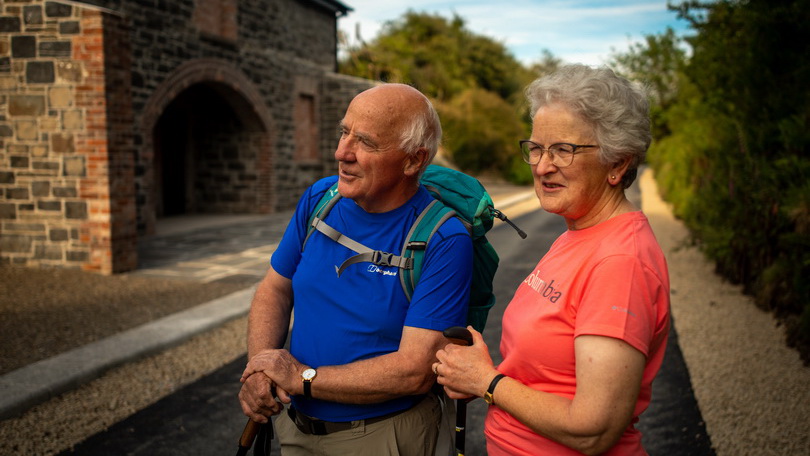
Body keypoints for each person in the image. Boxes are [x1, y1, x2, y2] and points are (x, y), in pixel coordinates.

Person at [433, 64, 671, 456]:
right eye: (537, 148)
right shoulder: (576, 232)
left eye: (564, 150)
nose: (543, 166)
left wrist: (487, 383)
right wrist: (484, 376)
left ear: (618, 163)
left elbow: (593, 430)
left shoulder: (620, 262)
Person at [238, 83, 473, 456]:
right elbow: (275, 288)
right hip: (295, 428)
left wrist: (301, 378)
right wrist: (261, 368)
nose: (341, 152)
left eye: (365, 142)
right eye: (344, 132)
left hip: (384, 437)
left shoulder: (444, 239)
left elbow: (414, 371)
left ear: (413, 160)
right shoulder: (320, 199)